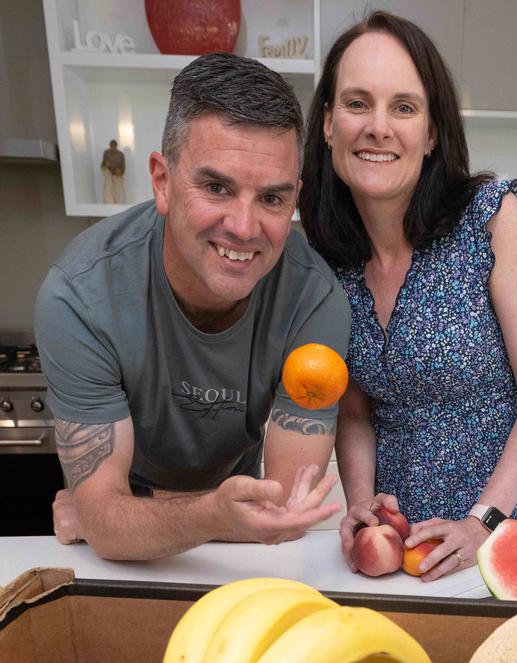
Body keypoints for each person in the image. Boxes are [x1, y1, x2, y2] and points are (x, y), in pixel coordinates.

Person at [35, 53, 350, 561]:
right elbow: (108, 530)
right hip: (135, 561)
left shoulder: (316, 301)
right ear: (162, 181)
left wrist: (125, 512)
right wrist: (120, 518)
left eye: (271, 198)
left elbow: (286, 513)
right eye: (216, 187)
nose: (244, 228)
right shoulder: (78, 297)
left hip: (238, 550)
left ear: (296, 197)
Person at [299, 11, 517, 582]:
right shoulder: (330, 258)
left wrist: (480, 524)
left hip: (491, 544)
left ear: (433, 131)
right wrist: (361, 505)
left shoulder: (490, 218)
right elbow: (355, 412)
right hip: (390, 550)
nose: (378, 127)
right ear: (326, 124)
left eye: (404, 107)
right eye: (356, 103)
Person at [100, 140, 126, 204]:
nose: (113, 147)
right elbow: (102, 165)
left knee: (119, 190)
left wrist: (120, 172)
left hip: (117, 176)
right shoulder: (106, 153)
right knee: (108, 188)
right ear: (110, 146)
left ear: (116, 146)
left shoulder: (120, 155)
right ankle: (109, 202)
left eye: (114, 146)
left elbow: (123, 166)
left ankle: (120, 204)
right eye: (112, 146)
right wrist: (106, 166)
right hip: (108, 174)